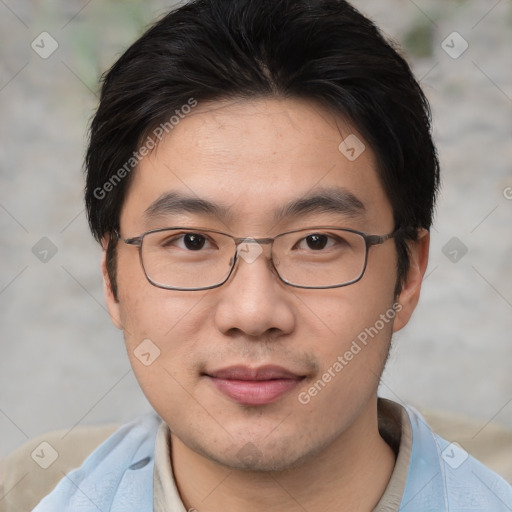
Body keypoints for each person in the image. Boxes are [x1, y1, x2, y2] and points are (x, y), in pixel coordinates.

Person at [3, 0, 512, 510]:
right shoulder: (26, 493)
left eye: (317, 241)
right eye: (191, 241)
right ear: (112, 279)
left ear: (408, 276)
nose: (252, 313)